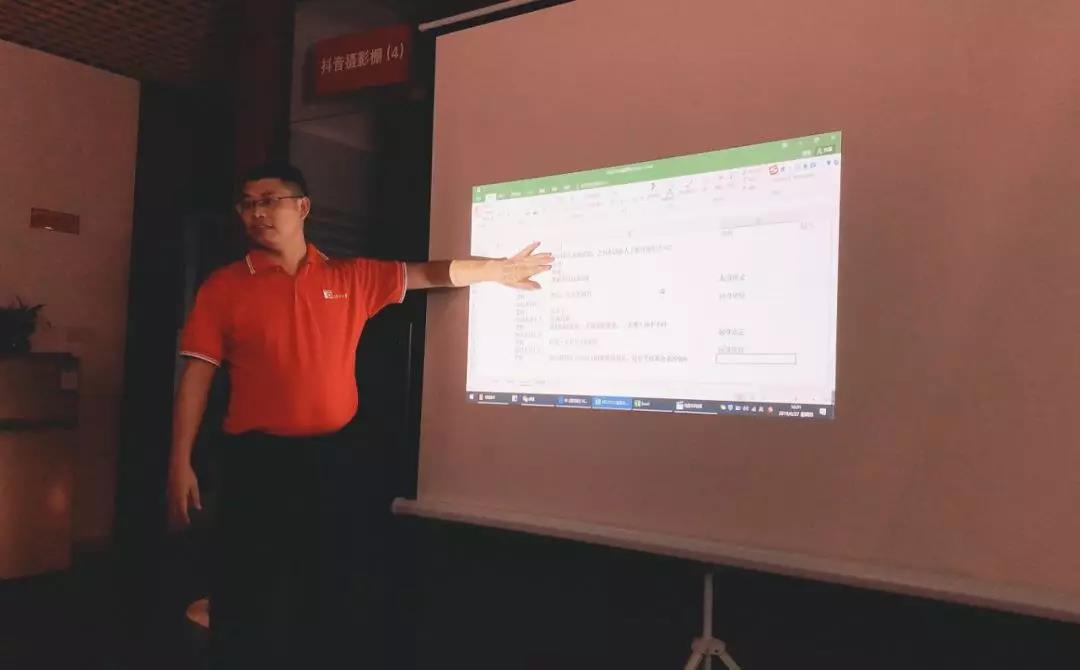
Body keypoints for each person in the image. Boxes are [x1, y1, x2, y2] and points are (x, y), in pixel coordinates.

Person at [165, 162, 552, 668]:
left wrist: (496, 270)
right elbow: (196, 377)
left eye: (270, 200)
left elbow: (426, 273)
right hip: (256, 462)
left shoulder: (350, 277)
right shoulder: (224, 286)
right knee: (247, 590)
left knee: (330, 586)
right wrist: (180, 461)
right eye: (248, 203)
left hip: (334, 459)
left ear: (303, 207)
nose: (257, 212)